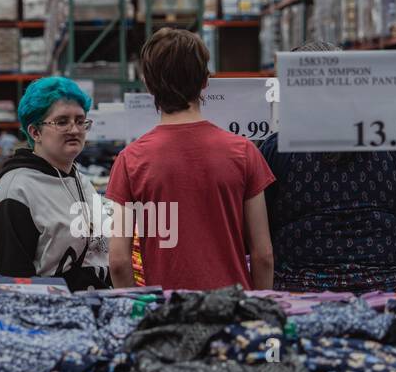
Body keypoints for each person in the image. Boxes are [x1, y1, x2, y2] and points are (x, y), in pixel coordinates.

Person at [259, 41, 396, 293]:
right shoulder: (395, 143)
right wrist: (385, 226)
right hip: (387, 295)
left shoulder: (277, 149)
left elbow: (256, 233)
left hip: (299, 297)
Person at [106, 27, 275, 291]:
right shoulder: (244, 152)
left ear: (148, 85)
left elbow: (118, 260)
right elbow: (262, 255)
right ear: (206, 81)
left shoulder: (130, 161)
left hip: (167, 312)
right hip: (234, 309)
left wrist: (141, 312)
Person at [0, 77, 110, 290]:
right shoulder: (15, 192)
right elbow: (12, 283)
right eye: (62, 122)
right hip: (48, 317)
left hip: (91, 312)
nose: (75, 129)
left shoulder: (80, 180)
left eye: (80, 121)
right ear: (35, 132)